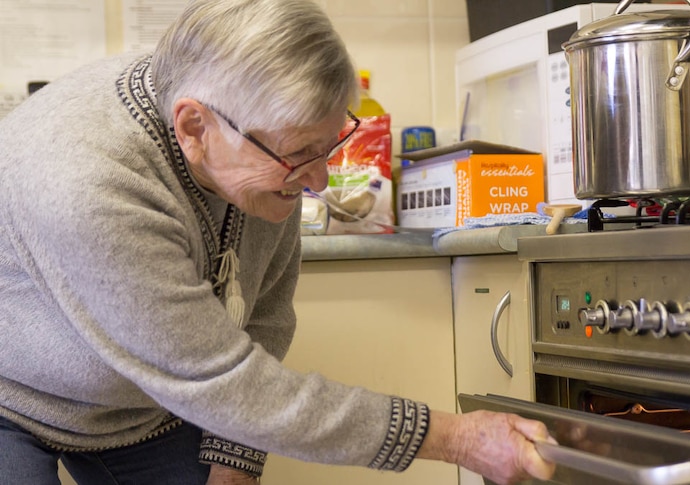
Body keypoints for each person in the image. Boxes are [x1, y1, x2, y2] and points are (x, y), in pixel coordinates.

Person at [0, 1, 556, 484]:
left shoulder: (262, 142)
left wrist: (236, 453)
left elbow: (262, 311)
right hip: (14, 400)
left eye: (328, 145)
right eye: (299, 156)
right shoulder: (89, 183)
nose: (317, 182)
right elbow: (219, 379)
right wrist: (456, 438)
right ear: (194, 128)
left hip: (149, 407)